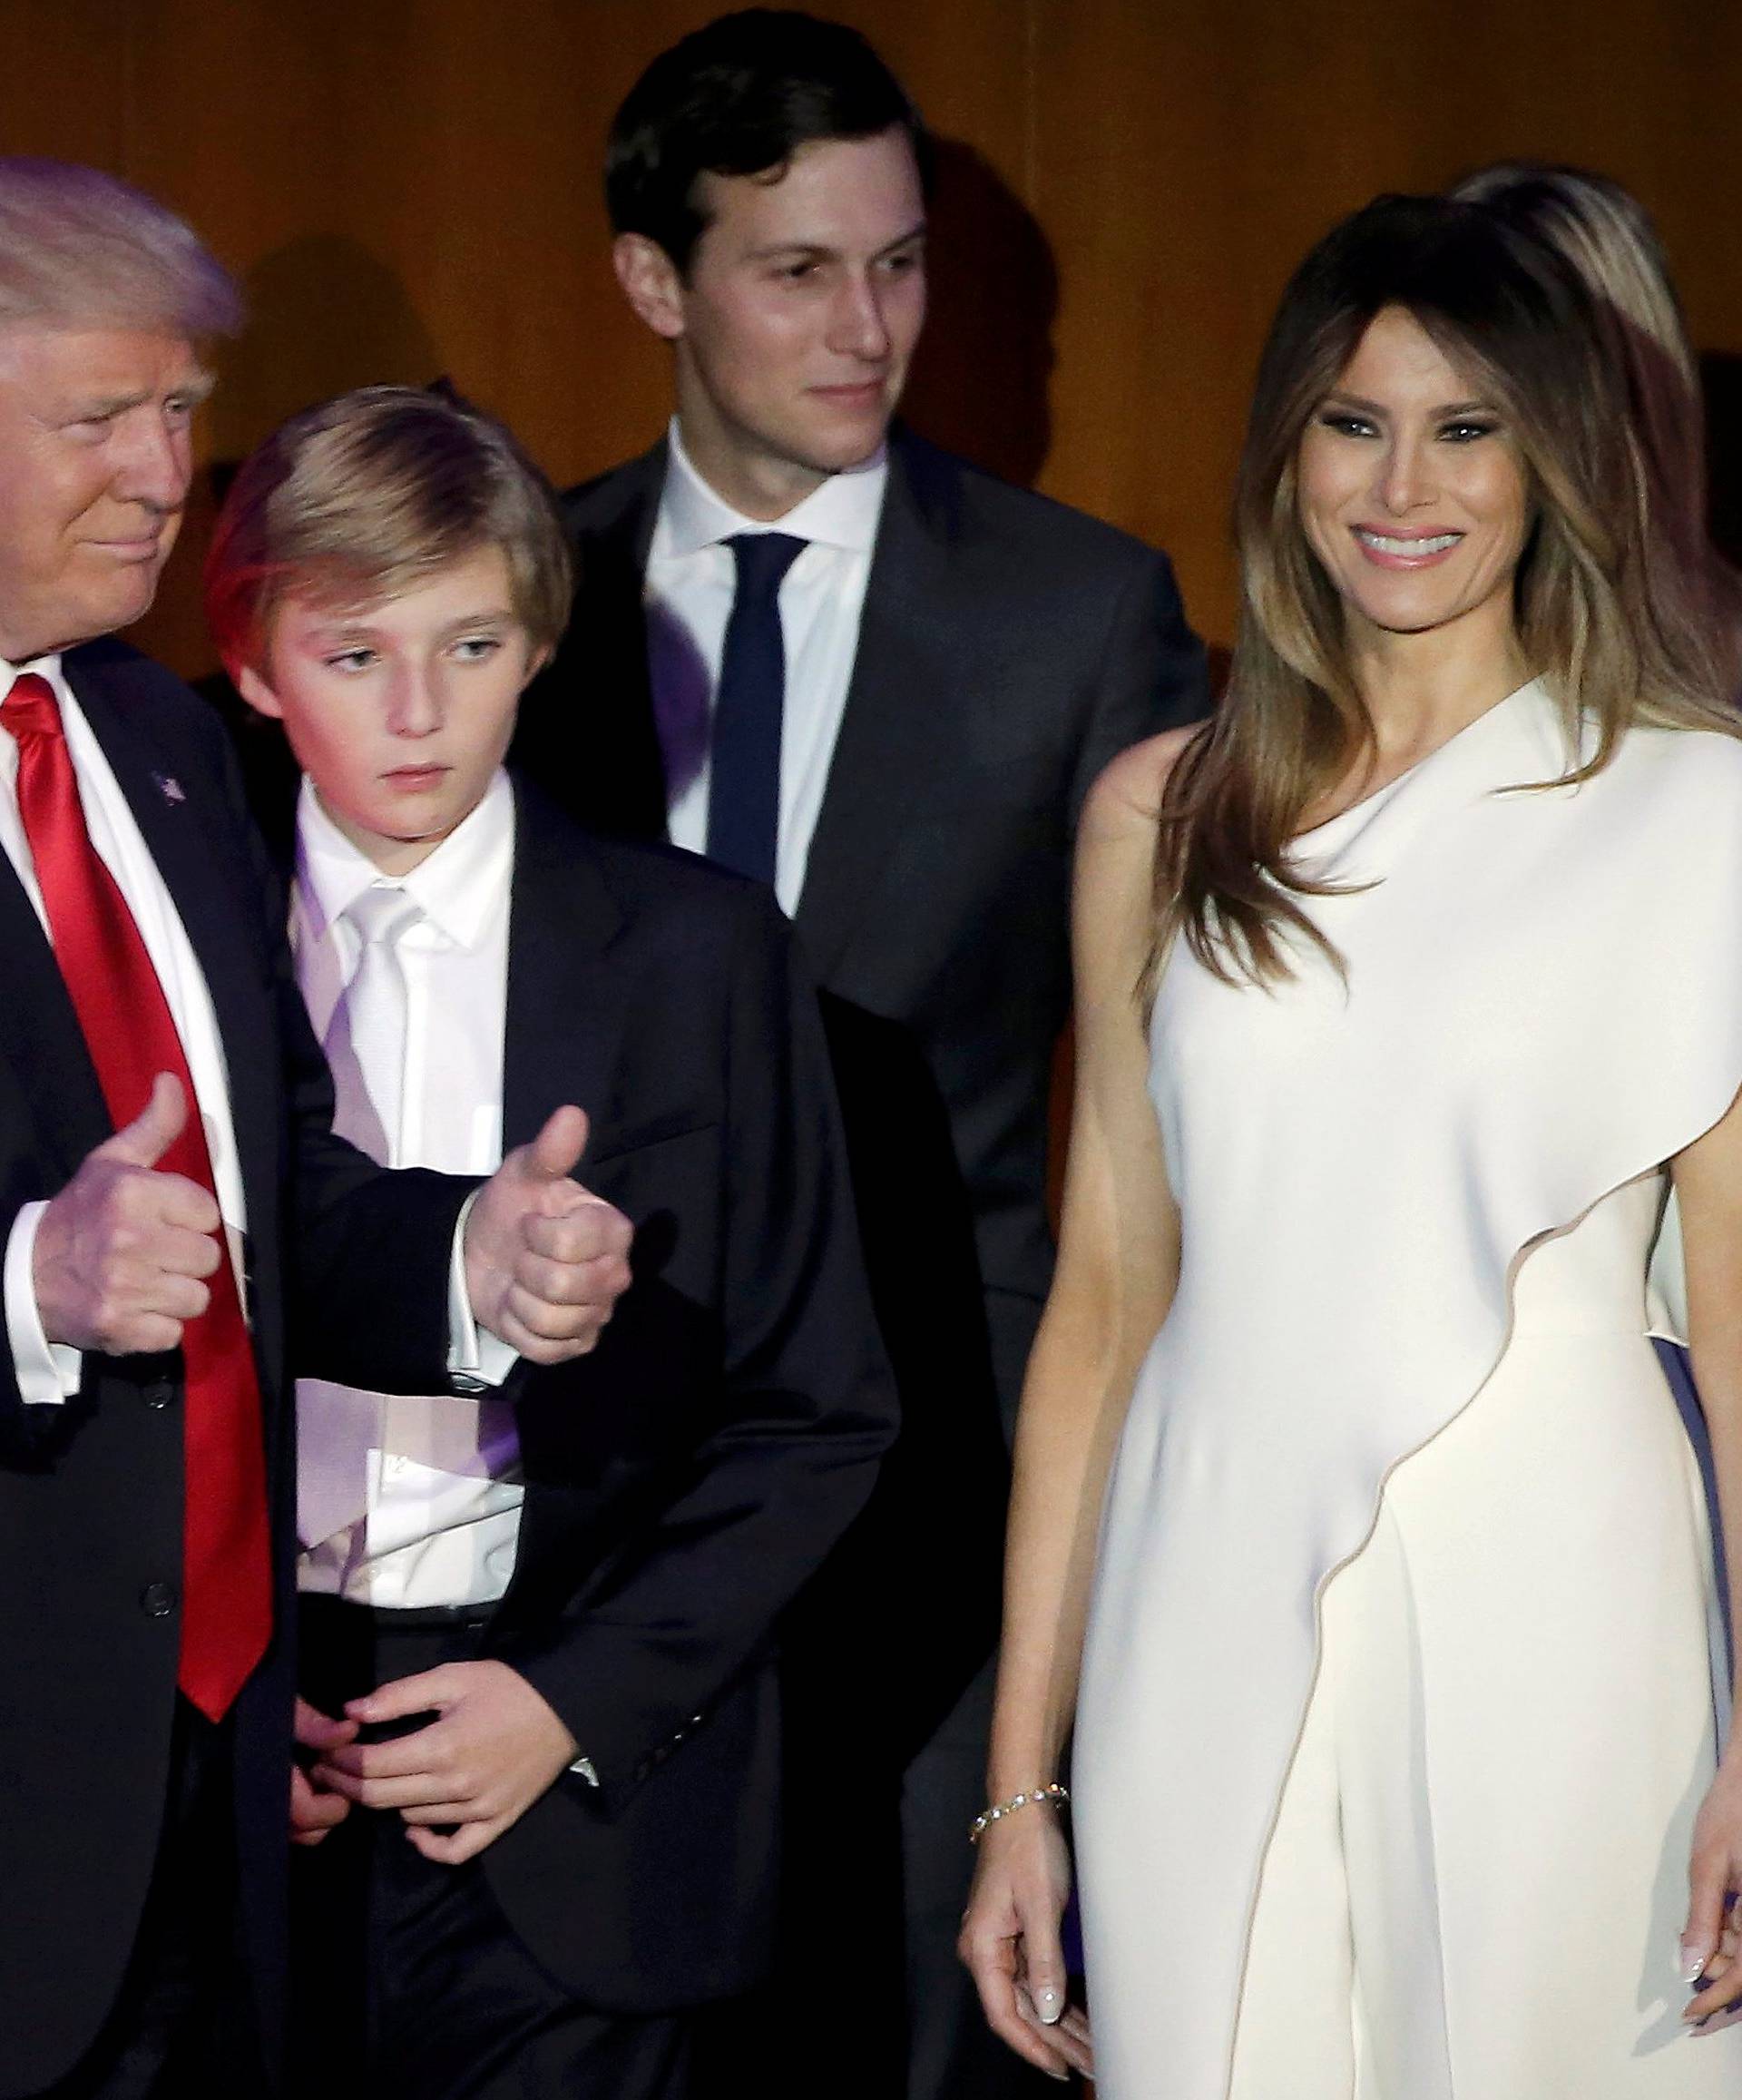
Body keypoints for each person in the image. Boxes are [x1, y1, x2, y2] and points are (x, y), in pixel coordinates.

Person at [961, 191, 1742, 2097]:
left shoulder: (1694, 805)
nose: (1406, 483)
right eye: (1353, 421)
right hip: (1194, 1573)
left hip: (1558, 1580)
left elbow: (1739, 1314)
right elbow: (1104, 1305)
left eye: (1468, 429)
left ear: (1555, 459)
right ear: (1288, 446)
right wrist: (1016, 1788)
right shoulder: (1165, 811)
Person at [511, 15, 1209, 2093]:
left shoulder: (1084, 614)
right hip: (587, 1480)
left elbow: (1204, 1076)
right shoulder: (513, 597)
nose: (869, 323)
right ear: (657, 278)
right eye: (799, 268)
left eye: (899, 263)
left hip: (955, 1488)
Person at [0, 162, 632, 2100]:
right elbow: (98, 1260)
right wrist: (35, 1274)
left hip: (210, 1791)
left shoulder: (161, 741)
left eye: (181, 410)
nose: (160, 468)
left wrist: (466, 1261)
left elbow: (274, 1185)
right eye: (95, 418)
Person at [204, 383, 895, 2100]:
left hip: (576, 1808)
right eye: (354, 656)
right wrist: (213, 1682)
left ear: (541, 642)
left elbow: (819, 1413)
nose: (420, 714)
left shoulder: (698, 955)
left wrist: (567, 1699)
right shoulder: (179, 955)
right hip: (243, 1782)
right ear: (253, 662)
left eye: (473, 644)